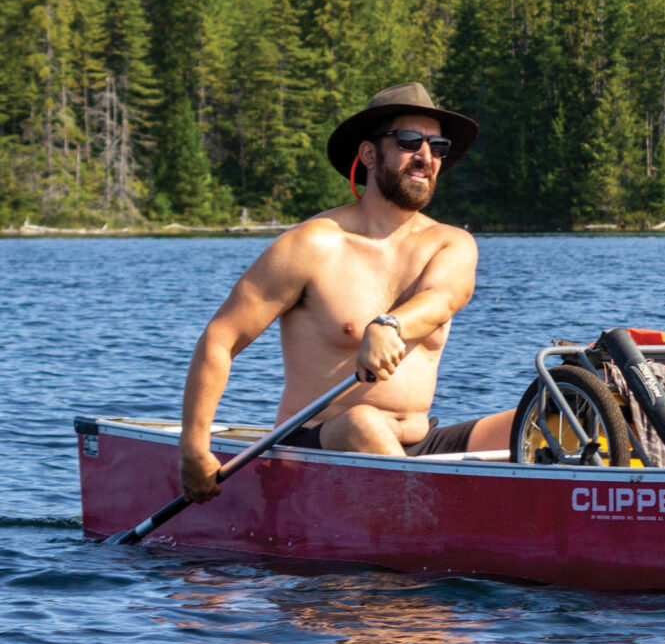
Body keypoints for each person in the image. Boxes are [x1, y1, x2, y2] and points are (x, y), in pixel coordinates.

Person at [178, 82, 516, 502]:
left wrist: (389, 326)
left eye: (437, 145)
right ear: (370, 155)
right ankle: (431, 528)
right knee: (363, 422)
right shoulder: (312, 245)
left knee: (554, 415)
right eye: (411, 142)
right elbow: (220, 339)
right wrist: (194, 450)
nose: (426, 157)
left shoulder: (452, 243)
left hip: (417, 445)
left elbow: (443, 298)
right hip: (315, 448)